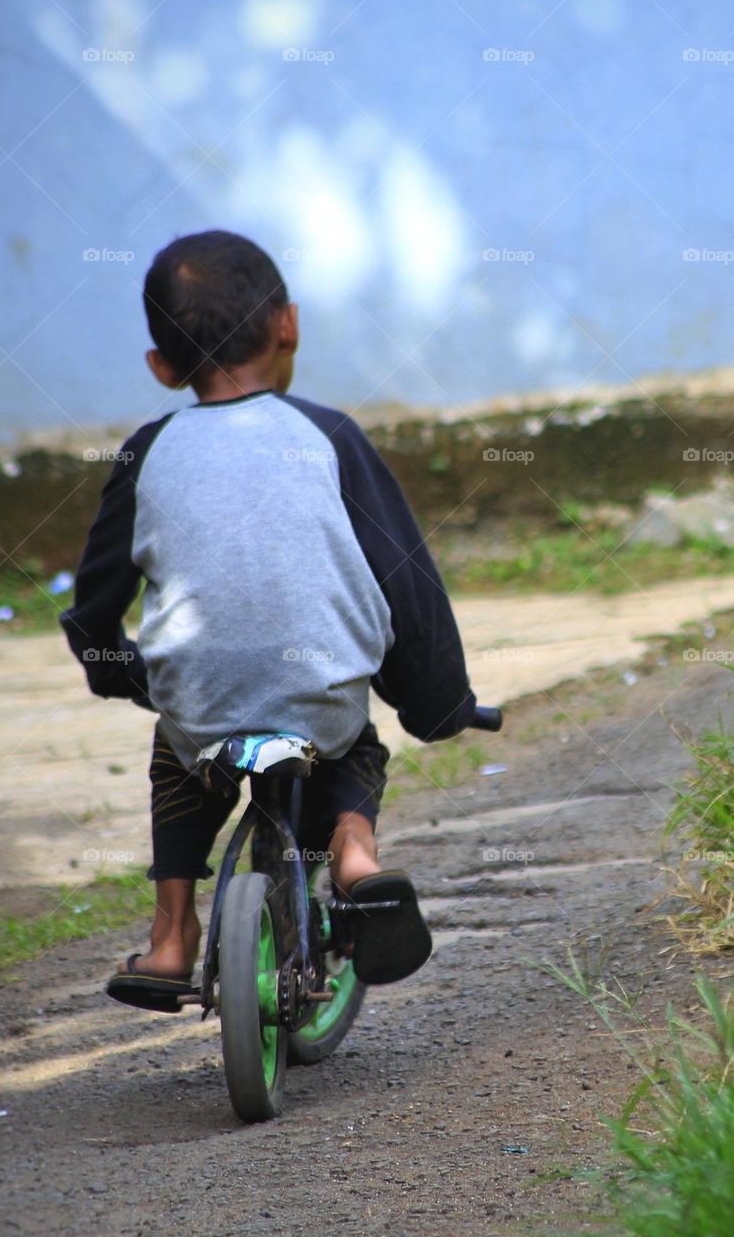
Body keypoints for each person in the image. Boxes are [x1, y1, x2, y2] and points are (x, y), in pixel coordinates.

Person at [61, 229, 475, 1011]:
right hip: (316, 693)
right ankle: (353, 852)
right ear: (287, 324)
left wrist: (118, 672)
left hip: (199, 700)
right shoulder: (328, 437)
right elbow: (403, 584)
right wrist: (441, 704)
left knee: (175, 757)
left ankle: (170, 936)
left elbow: (95, 599)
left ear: (161, 365)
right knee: (352, 741)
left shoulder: (146, 451)